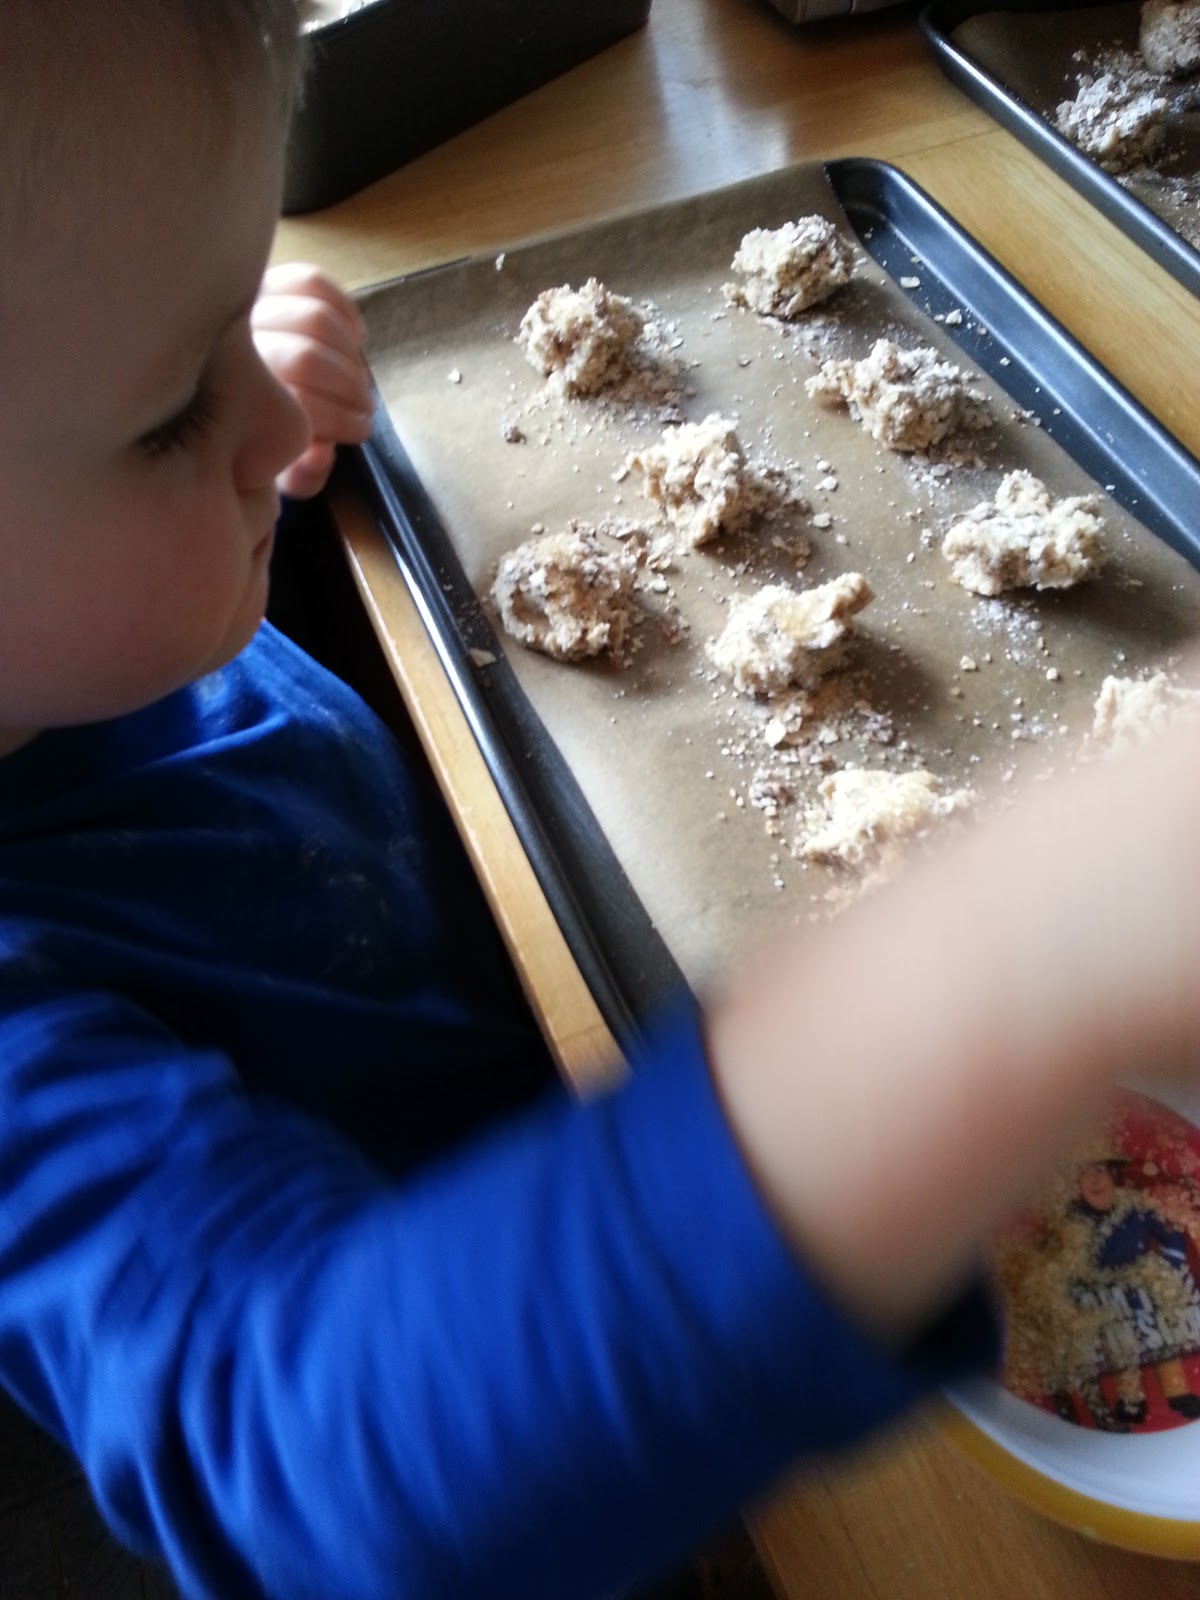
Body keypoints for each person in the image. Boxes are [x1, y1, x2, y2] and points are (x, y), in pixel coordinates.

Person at [2, 4, 1200, 1598]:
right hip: (546, 1366)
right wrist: (1005, 970)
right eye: (169, 415)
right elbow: (310, 1474)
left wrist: (202, 403)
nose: (278, 425)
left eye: (236, 319)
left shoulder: (62, 653)